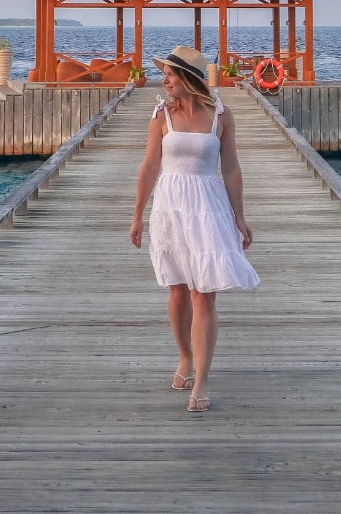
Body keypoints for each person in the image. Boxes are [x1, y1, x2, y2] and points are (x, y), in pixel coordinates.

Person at [130, 46, 259, 413]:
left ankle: (201, 378)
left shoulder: (220, 114)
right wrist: (137, 215)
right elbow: (149, 168)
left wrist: (240, 216)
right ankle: (184, 356)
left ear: (187, 78)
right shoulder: (160, 116)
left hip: (208, 207)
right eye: (165, 74)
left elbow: (231, 168)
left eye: (170, 74)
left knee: (204, 292)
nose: (164, 79)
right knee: (177, 290)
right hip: (170, 207)